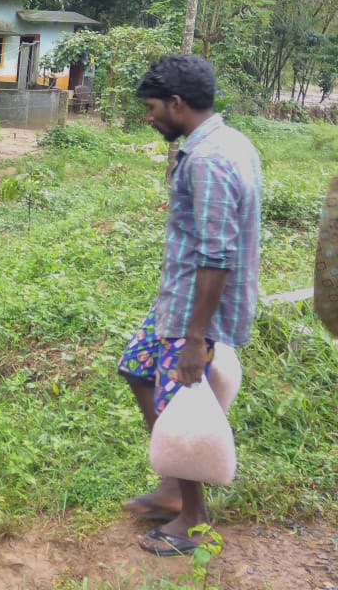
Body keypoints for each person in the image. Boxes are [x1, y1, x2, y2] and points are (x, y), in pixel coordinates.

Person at [118, 55, 262, 557]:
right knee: (136, 368)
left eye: (153, 107)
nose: (150, 116)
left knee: (178, 403)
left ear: (177, 104)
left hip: (195, 314)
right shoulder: (227, 142)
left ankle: (194, 521)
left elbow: (217, 256)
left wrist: (197, 339)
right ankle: (175, 486)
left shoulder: (208, 161)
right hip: (178, 301)